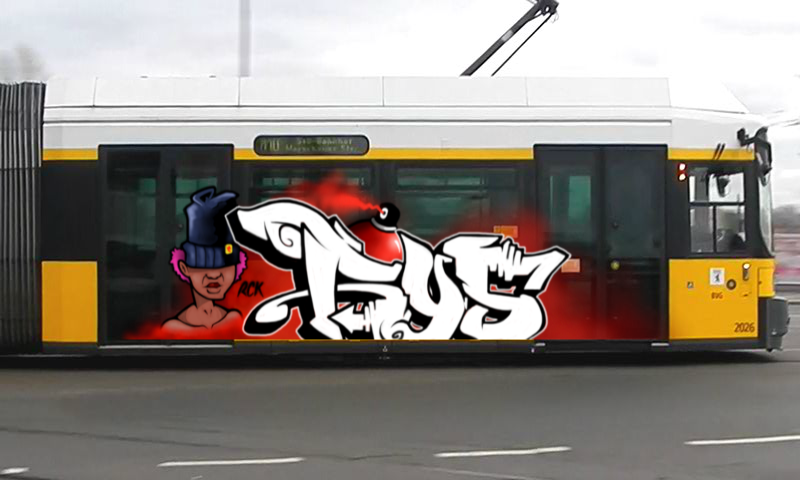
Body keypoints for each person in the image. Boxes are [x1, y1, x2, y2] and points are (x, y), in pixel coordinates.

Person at [163, 187, 247, 333]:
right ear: (184, 268)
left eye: (224, 266)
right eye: (203, 265)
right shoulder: (173, 329)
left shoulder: (234, 319)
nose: (214, 275)